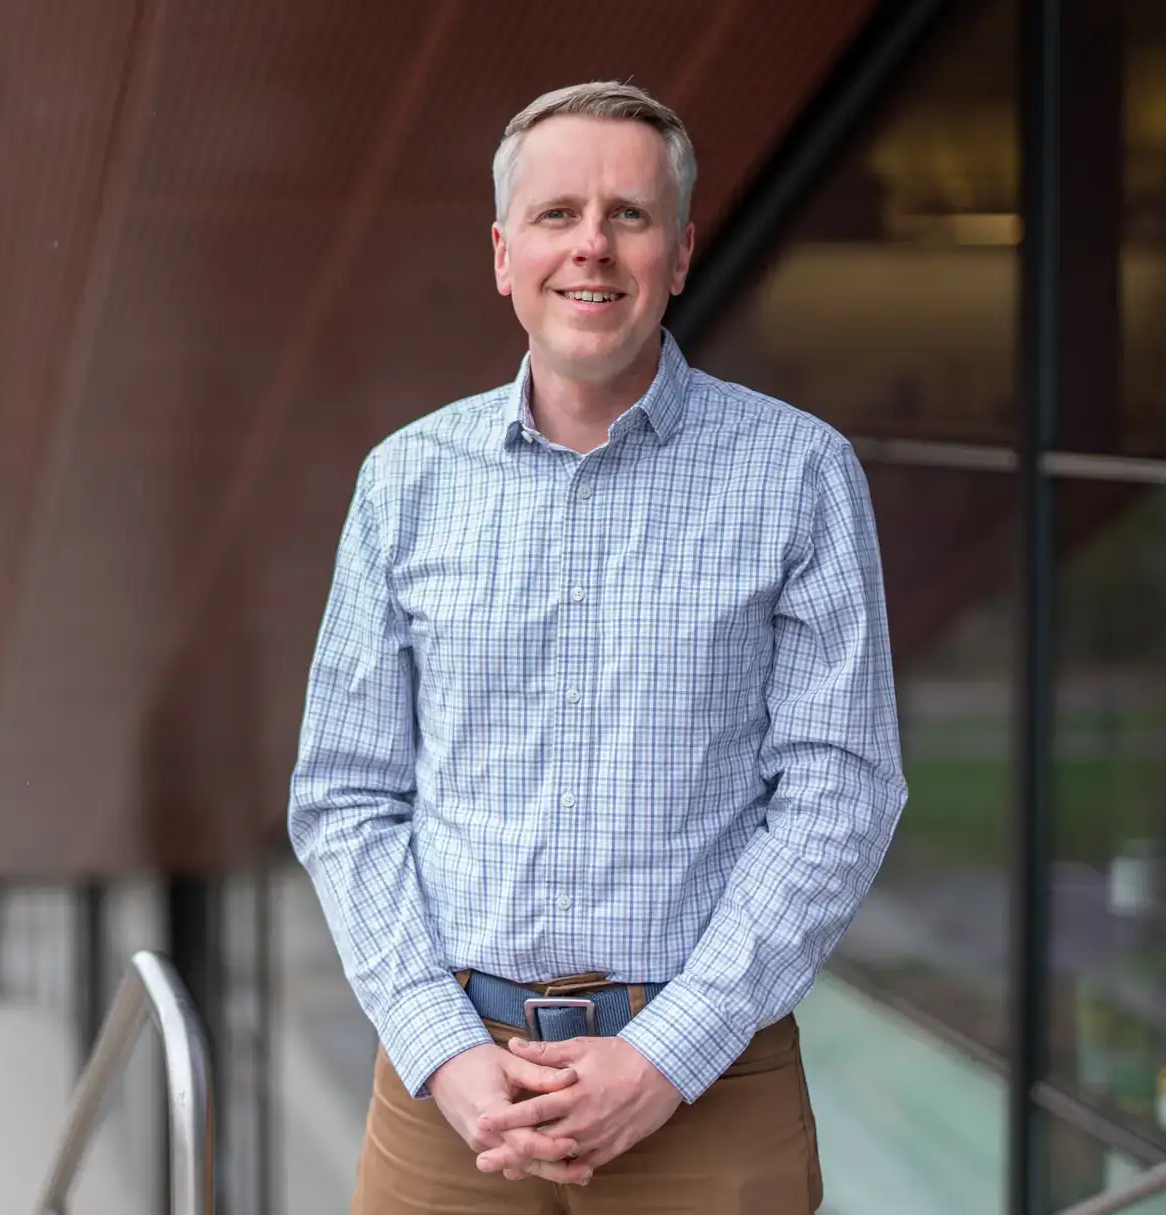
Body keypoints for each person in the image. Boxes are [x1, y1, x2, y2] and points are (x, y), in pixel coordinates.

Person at [287, 80, 907, 1214]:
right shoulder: (405, 484)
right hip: (453, 1106)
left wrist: (672, 1050)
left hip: (709, 1091)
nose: (593, 246)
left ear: (678, 255)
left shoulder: (798, 476)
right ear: (502, 252)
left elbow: (841, 792)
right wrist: (441, 1047)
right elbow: (346, 795)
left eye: (630, 215)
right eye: (558, 213)